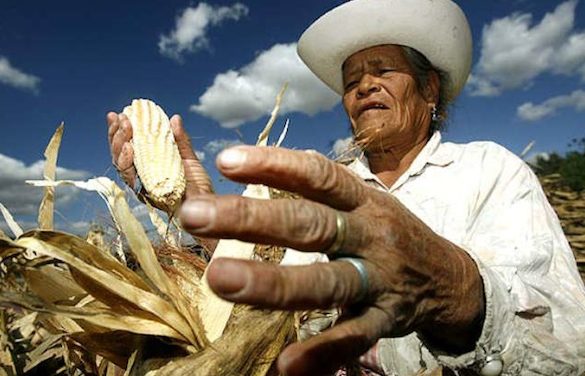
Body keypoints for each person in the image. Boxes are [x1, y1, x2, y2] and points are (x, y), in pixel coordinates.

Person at [107, 0, 585, 374]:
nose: (364, 87)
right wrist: (192, 202)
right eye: (352, 80)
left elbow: (569, 345)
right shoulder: (324, 194)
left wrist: (451, 287)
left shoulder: (490, 171)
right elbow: (267, 283)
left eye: (384, 71)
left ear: (430, 89)